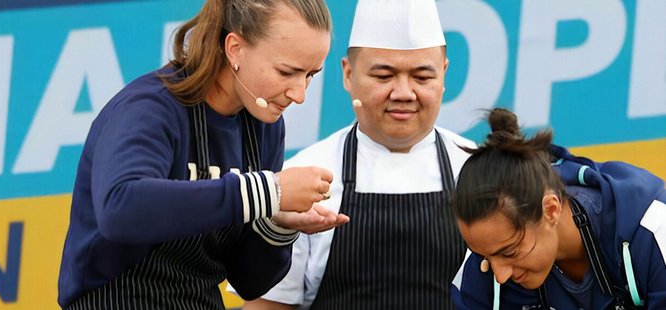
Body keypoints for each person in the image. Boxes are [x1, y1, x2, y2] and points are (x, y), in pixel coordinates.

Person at [57, 1, 350, 309]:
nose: (299, 94)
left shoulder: (265, 128)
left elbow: (249, 282)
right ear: (235, 48)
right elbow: (120, 208)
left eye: (310, 75)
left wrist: (277, 224)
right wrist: (266, 192)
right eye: (286, 72)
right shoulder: (150, 109)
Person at [235, 0, 474, 308]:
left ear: (444, 74)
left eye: (422, 77)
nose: (403, 93)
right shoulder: (303, 178)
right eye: (384, 76)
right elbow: (270, 305)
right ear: (348, 74)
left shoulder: (478, 171)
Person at [451, 108, 666, 309]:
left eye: (511, 252)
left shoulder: (653, 230)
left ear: (551, 210)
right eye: (487, 257)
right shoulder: (489, 256)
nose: (500, 275)